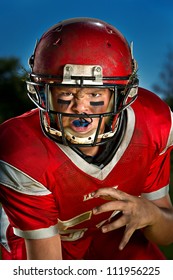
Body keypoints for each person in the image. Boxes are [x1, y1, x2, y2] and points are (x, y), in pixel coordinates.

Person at [0, 17, 173, 260]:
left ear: (123, 95)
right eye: (66, 93)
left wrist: (152, 215)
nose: (81, 108)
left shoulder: (153, 121)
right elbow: (45, 268)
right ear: (42, 93)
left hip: (107, 233)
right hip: (34, 243)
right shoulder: (21, 150)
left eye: (94, 94)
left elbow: (167, 234)